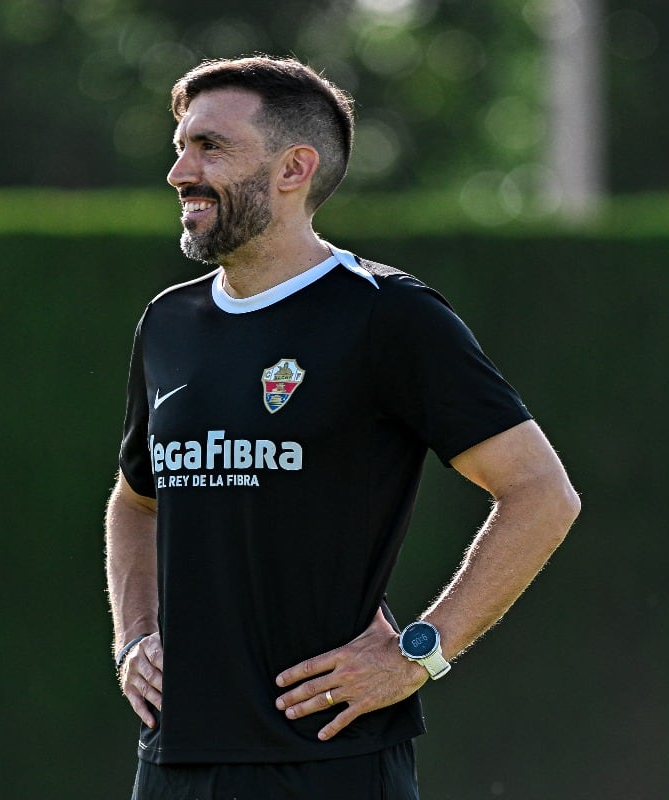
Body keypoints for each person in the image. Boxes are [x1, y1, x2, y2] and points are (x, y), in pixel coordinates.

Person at [105, 55, 580, 800]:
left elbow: (541, 493)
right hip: (174, 760)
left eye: (210, 147)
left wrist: (420, 652)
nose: (179, 172)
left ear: (295, 168)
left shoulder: (388, 315)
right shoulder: (169, 322)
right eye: (181, 146)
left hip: (330, 760)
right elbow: (136, 502)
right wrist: (134, 636)